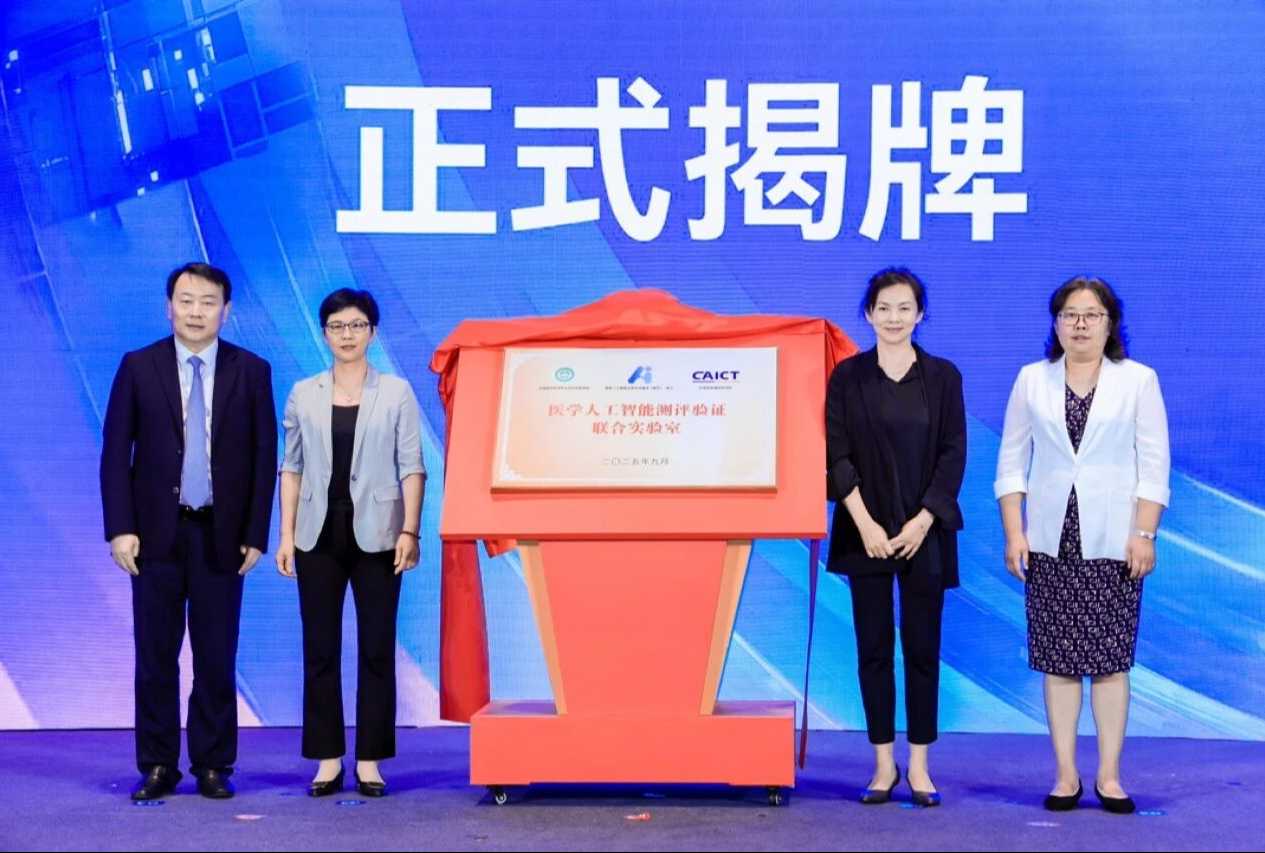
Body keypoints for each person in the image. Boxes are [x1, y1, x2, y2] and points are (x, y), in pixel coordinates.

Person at [101, 262, 277, 800]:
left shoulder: (252, 370)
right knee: (155, 655)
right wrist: (120, 528)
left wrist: (256, 532)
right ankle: (158, 764)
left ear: (227, 310)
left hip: (221, 535)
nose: (196, 311)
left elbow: (263, 456)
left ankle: (213, 763)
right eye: (186, 300)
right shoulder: (138, 366)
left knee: (216, 655)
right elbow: (115, 453)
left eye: (207, 302)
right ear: (168, 307)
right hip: (154, 535)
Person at [995, 276, 1170, 814]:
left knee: (1111, 662)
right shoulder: (1032, 380)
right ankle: (1066, 775)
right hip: (1051, 541)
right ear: (1056, 323)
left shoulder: (1138, 381)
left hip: (1115, 541)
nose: (1080, 324)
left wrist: (1144, 533)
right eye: (1069, 314)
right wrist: (1015, 531)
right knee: (1060, 662)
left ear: (1110, 323)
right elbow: (1011, 463)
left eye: (1091, 315)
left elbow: (1154, 464)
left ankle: (1110, 776)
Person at [826, 267, 966, 807]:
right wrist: (864, 523)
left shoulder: (943, 377)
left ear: (920, 314)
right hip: (864, 530)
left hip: (923, 533)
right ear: (868, 314)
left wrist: (923, 520)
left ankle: (921, 766)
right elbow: (836, 454)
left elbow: (953, 453)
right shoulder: (848, 377)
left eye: (904, 308)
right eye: (883, 308)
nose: (893, 318)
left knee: (923, 649)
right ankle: (883, 765)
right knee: (874, 649)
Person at [276, 288, 425, 797]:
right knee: (319, 648)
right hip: (316, 534)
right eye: (337, 326)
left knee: (376, 647)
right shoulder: (303, 393)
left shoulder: (397, 392)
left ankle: (370, 760)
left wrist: (410, 530)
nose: (347, 334)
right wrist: (286, 534)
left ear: (372, 333)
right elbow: (291, 467)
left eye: (357, 325)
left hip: (380, 535)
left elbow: (412, 466)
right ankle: (326, 758)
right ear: (324, 333)